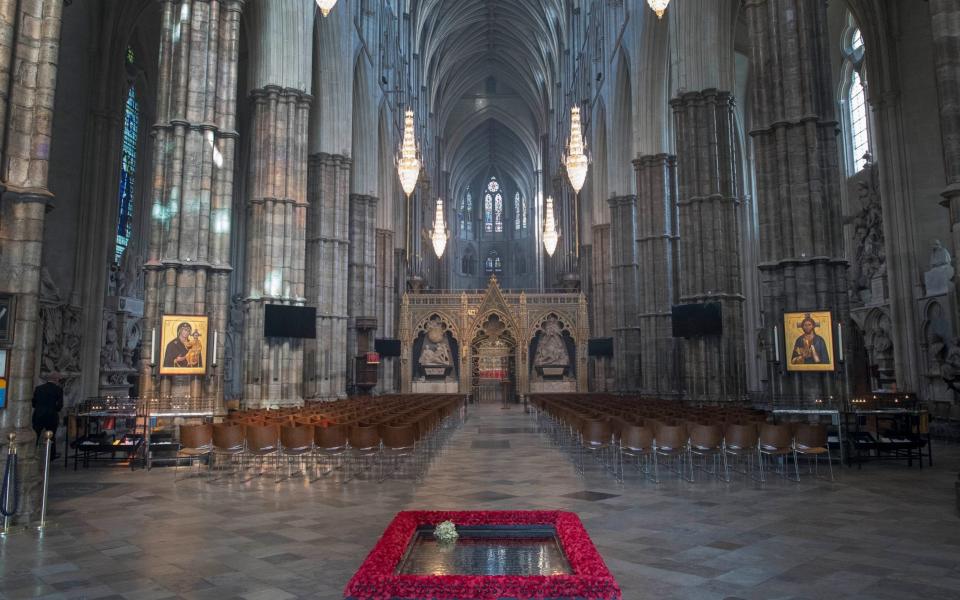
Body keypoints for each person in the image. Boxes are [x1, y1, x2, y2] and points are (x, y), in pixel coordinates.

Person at [32, 373, 64, 458]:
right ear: (56, 380)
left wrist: (39, 408)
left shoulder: (38, 388)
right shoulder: (58, 389)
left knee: (36, 435)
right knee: (51, 436)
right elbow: (60, 405)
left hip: (38, 415)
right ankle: (51, 455)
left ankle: (31, 453)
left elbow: (33, 403)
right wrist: (55, 409)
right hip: (51, 415)